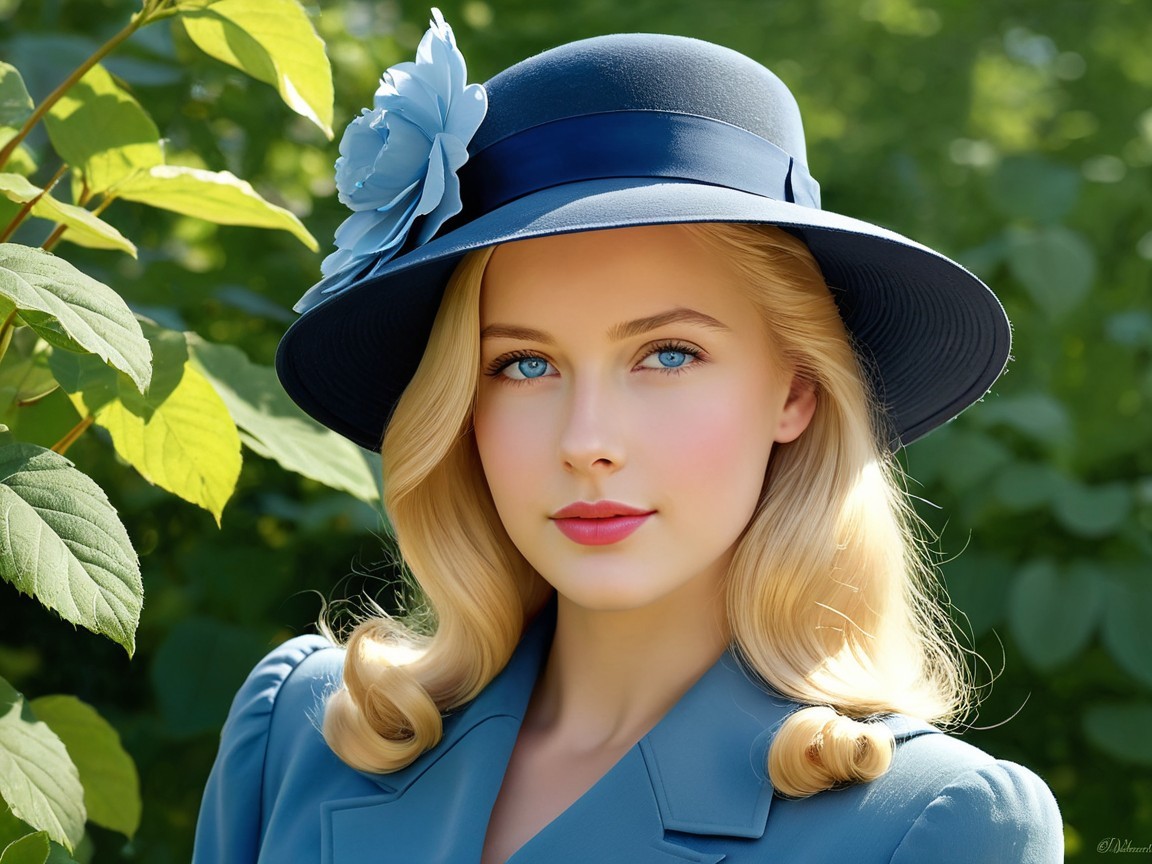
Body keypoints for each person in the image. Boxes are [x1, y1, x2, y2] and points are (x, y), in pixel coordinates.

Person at [193, 9, 1062, 863]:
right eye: (524, 365)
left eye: (668, 354)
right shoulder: (304, 733)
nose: (587, 441)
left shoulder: (933, 826)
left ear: (796, 391)